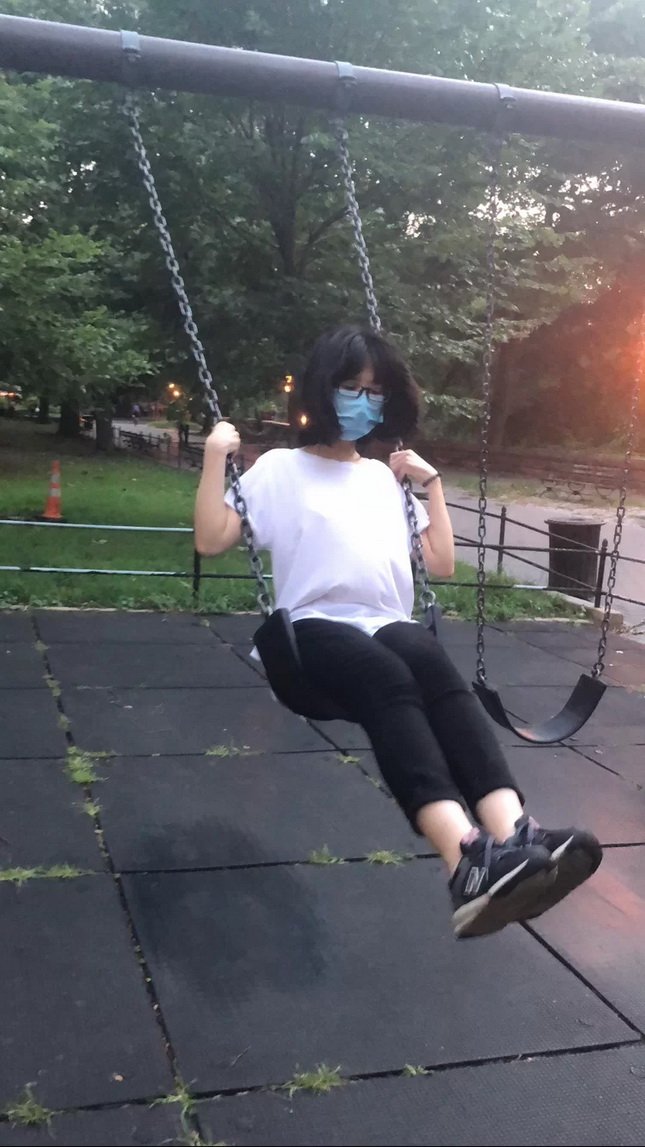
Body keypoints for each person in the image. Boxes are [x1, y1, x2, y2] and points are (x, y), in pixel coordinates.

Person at [195, 326, 602, 939]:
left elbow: (439, 562)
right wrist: (213, 457)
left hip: (386, 619)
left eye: (375, 391)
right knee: (385, 677)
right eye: (350, 387)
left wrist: (430, 485)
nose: (363, 401)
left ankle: (518, 835)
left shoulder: (383, 478)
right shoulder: (279, 469)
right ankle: (464, 859)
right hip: (313, 626)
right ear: (321, 389)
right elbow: (211, 539)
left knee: (432, 666)